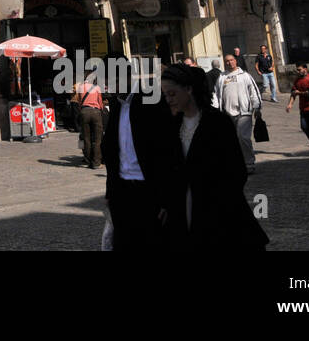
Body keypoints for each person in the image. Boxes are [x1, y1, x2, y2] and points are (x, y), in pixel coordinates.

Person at [160, 63, 267, 250]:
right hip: (182, 209)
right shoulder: (171, 125)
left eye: (172, 94)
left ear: (188, 89)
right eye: (165, 95)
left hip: (217, 210)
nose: (168, 100)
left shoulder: (217, 123)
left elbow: (236, 171)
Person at [100, 59, 181, 251]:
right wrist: (111, 192)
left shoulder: (151, 102)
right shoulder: (117, 105)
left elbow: (167, 152)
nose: (108, 84)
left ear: (127, 77)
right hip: (122, 192)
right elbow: (112, 152)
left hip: (149, 192)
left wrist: (166, 198)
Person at [212, 54, 262, 171]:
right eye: (227, 61)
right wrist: (215, 109)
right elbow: (216, 94)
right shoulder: (222, 77)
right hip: (227, 113)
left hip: (244, 112)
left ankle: (249, 163)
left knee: (243, 138)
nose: (229, 63)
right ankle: (236, 163)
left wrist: (257, 107)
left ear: (235, 61)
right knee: (231, 140)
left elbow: (254, 92)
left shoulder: (245, 76)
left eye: (231, 60)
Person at [286, 63, 309, 155]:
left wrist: (299, 92)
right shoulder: (297, 81)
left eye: (300, 69)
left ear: (305, 69)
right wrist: (290, 104)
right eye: (297, 70)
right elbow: (293, 93)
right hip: (303, 108)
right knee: (304, 127)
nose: (298, 71)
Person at [73, 67, 106, 170]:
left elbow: (79, 101)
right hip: (95, 112)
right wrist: (101, 109)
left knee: (86, 138)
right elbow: (100, 103)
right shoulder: (96, 88)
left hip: (84, 111)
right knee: (97, 139)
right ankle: (96, 162)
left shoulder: (80, 87)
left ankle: (88, 160)